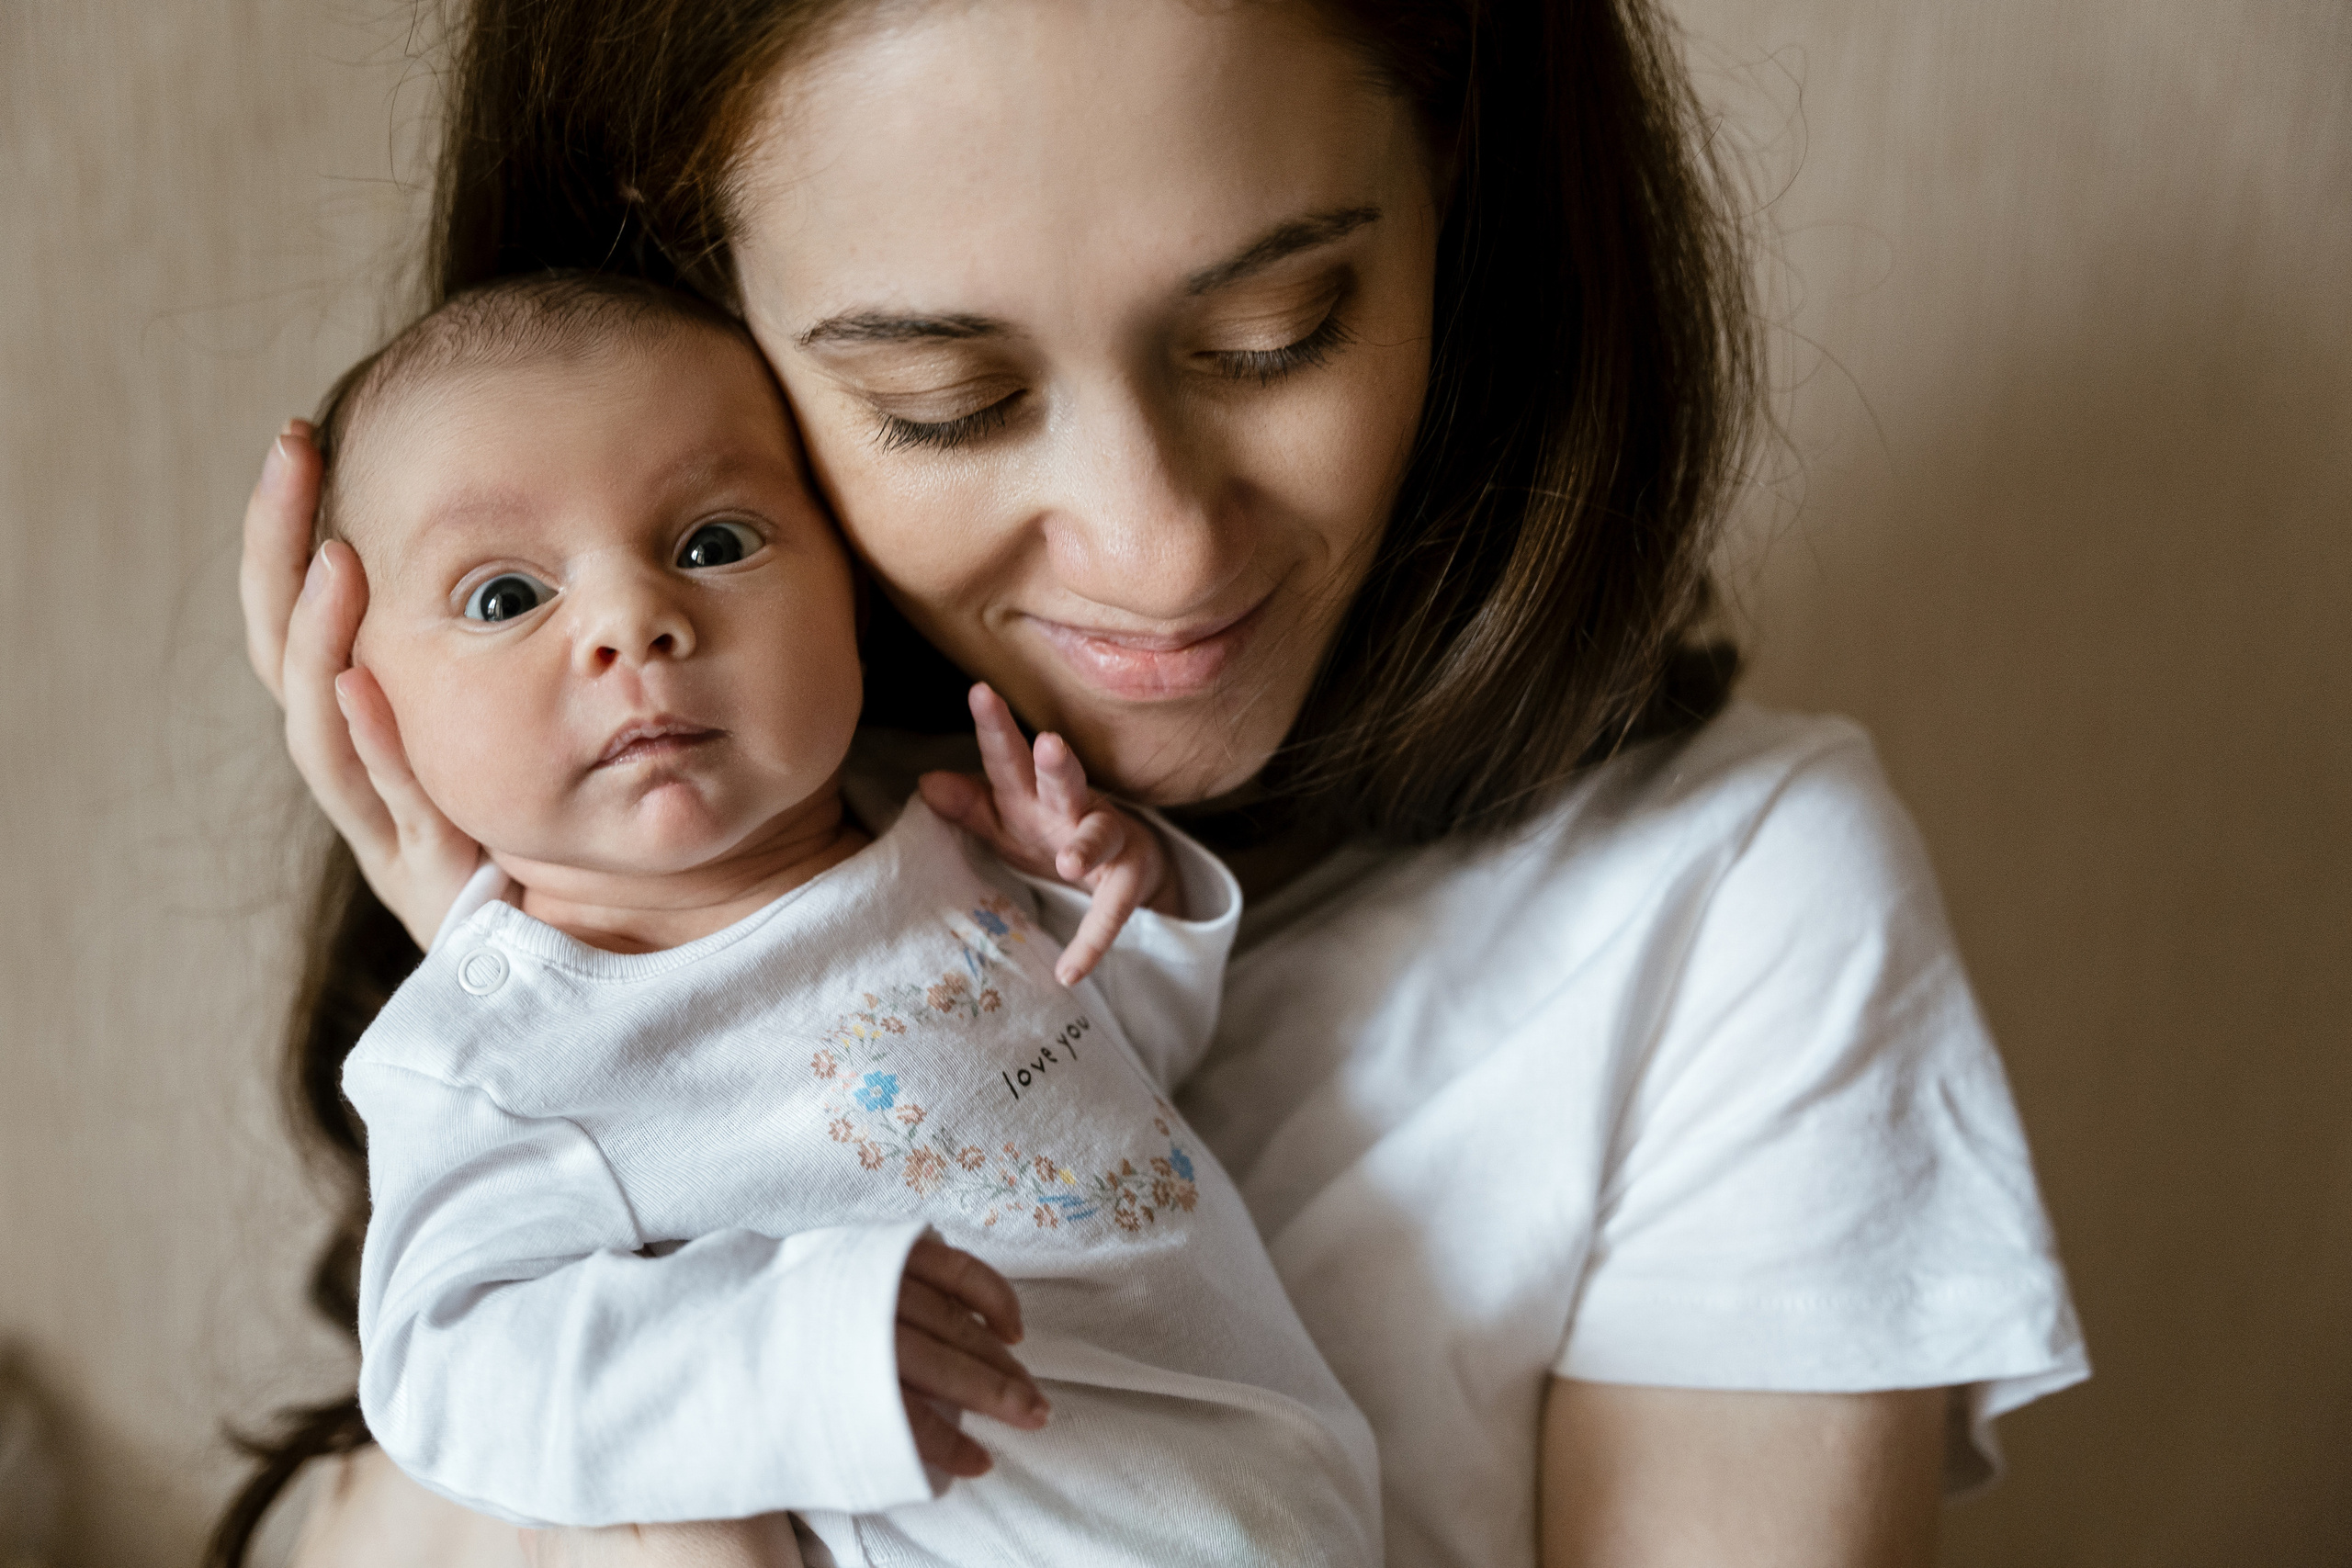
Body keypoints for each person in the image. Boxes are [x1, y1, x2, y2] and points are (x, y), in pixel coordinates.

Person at [220, 2, 2089, 1565]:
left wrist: (1108, 902)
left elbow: (1060, 1089)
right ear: (688, 307)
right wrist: (535, 946)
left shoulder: (1731, 910)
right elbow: (465, 1383)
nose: (1159, 546)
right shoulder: (528, 1025)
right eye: (945, 398)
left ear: (1458, 192)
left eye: (1276, 332)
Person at [311, 269, 1381, 1567]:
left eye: (714, 544)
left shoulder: (942, 835)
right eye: (504, 597)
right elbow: (444, 1379)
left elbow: (1125, 1094)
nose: (634, 623)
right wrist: (790, 1351)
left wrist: (1114, 894)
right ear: (366, 707)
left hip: (1283, 1506)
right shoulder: (500, 1055)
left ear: (851, 592)